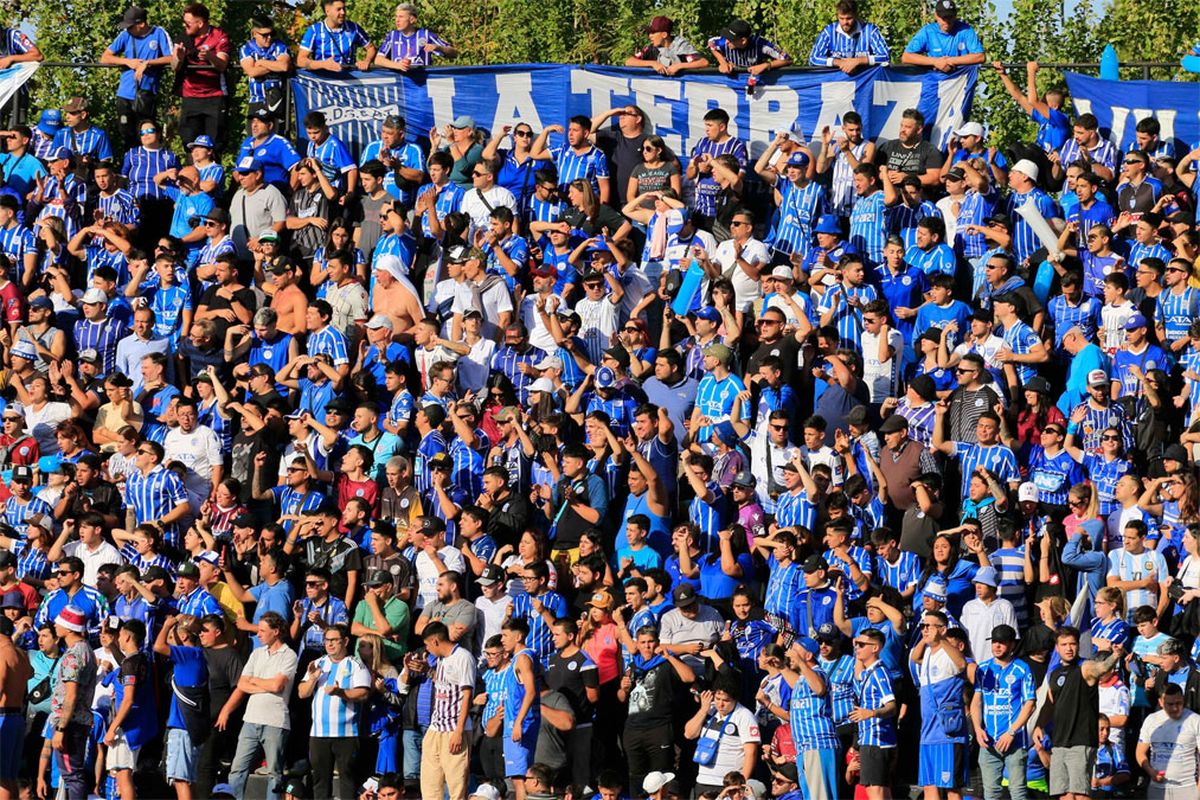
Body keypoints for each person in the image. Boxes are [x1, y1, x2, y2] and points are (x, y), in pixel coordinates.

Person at [221, 613, 299, 799]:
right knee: (237, 769)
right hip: (250, 719)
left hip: (275, 721)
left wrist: (254, 681)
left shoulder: (289, 655)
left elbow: (277, 685)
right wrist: (264, 684)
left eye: (263, 630)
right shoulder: (256, 653)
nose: (258, 634)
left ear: (276, 631)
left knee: (274, 772)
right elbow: (242, 684)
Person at [419, 621, 475, 800]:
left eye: (427, 645)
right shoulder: (441, 660)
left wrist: (458, 731)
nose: (427, 650)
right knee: (429, 786)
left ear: (435, 641)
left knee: (456, 786)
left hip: (454, 729)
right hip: (435, 728)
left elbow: (467, 694)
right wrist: (427, 670)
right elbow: (445, 684)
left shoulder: (463, 657)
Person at [1136, 683, 1200, 800]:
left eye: (1179, 703)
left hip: (1187, 788)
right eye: (1170, 704)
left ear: (1183, 700)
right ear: (1161, 702)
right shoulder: (1151, 720)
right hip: (1157, 788)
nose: (1175, 708)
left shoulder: (1195, 720)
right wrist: (1150, 772)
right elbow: (1140, 752)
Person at [901, 0, 985, 72]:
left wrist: (950, 61)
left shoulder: (966, 30)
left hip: (960, 83)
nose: (947, 21)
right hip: (934, 83)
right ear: (936, 16)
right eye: (943, 18)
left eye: (950, 17)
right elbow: (906, 57)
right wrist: (935, 62)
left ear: (955, 15)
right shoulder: (928, 31)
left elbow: (980, 56)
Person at [809, 0, 890, 72]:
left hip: (864, 83)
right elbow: (813, 59)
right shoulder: (829, 31)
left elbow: (885, 56)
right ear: (837, 16)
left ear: (855, 15)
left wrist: (858, 61)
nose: (845, 22)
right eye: (841, 18)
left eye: (849, 18)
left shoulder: (870, 30)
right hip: (835, 84)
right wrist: (839, 63)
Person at [625, 17, 707, 76]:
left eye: (653, 33)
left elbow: (703, 62)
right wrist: (653, 63)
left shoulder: (681, 47)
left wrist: (679, 66)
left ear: (664, 34)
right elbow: (629, 61)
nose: (650, 36)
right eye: (649, 33)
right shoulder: (651, 49)